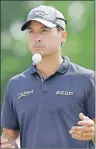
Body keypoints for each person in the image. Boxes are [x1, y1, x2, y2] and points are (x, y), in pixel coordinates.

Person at [1, 5, 95, 148]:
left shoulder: (87, 79)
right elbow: (8, 135)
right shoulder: (15, 84)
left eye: (44, 31)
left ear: (62, 36)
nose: (36, 38)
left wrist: (92, 132)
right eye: (31, 31)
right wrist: (8, 145)